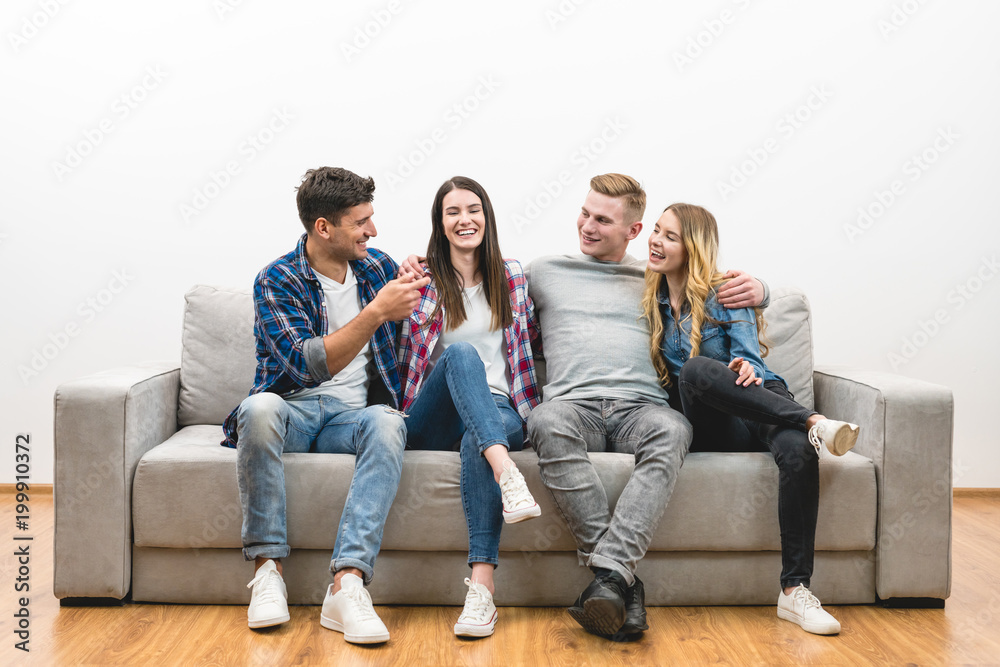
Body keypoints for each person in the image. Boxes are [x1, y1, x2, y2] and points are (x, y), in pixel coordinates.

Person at [526, 174, 770, 640]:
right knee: (544, 419)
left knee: (675, 429)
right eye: (585, 213)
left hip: (641, 408)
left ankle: (610, 580)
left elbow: (717, 286)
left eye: (602, 220)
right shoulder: (544, 271)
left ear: (634, 231)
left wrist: (762, 288)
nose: (588, 226)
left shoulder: (657, 275)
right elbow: (477, 276)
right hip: (572, 406)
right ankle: (620, 581)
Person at [222, 167, 429, 644]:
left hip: (350, 418)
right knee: (257, 409)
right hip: (292, 412)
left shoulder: (376, 266)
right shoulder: (277, 279)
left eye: (371, 219)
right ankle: (268, 572)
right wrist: (376, 311)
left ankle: (347, 583)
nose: (372, 231)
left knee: (388, 421)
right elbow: (305, 365)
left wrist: (425, 267)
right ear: (323, 228)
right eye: (361, 222)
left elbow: (426, 302)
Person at [641, 202, 860, 635]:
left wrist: (747, 365)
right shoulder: (651, 298)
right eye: (655, 230)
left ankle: (795, 592)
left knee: (798, 452)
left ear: (693, 248)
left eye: (669, 235)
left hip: (760, 400)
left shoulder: (726, 292)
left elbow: (748, 355)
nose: (655, 240)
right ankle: (814, 421)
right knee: (698, 369)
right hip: (715, 423)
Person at [397, 176, 541, 638]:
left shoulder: (513, 276)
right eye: (453, 212)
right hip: (434, 413)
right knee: (461, 355)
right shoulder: (419, 281)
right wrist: (407, 273)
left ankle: (482, 591)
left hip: (499, 409)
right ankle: (508, 473)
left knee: (478, 438)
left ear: (487, 216)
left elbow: (536, 340)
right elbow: (399, 354)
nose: (465, 220)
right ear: (439, 224)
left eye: (473, 209)